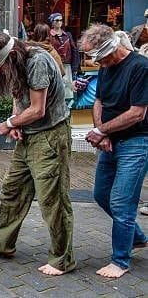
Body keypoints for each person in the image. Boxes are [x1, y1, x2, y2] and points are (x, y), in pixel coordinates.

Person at [0, 33, 76, 276]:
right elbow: (17, 95)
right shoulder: (16, 61)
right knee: (12, 190)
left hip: (50, 136)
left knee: (52, 199)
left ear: (10, 55)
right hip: (29, 135)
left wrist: (9, 123)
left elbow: (38, 109)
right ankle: (3, 243)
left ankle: (62, 260)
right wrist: (17, 121)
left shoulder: (37, 62)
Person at [80, 24, 147, 279]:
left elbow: (137, 113)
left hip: (136, 142)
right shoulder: (106, 67)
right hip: (110, 141)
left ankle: (120, 261)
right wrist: (102, 132)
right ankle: (137, 237)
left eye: (98, 56)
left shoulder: (140, 67)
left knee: (122, 201)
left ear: (110, 47)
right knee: (101, 194)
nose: (97, 63)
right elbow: (98, 101)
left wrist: (101, 131)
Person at [48, 12, 79, 102]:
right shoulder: (49, 35)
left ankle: (67, 109)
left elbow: (74, 50)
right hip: (55, 66)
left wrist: (75, 66)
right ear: (52, 22)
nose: (59, 22)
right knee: (56, 91)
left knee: (68, 91)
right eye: (57, 20)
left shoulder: (67, 35)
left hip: (67, 66)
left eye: (61, 20)